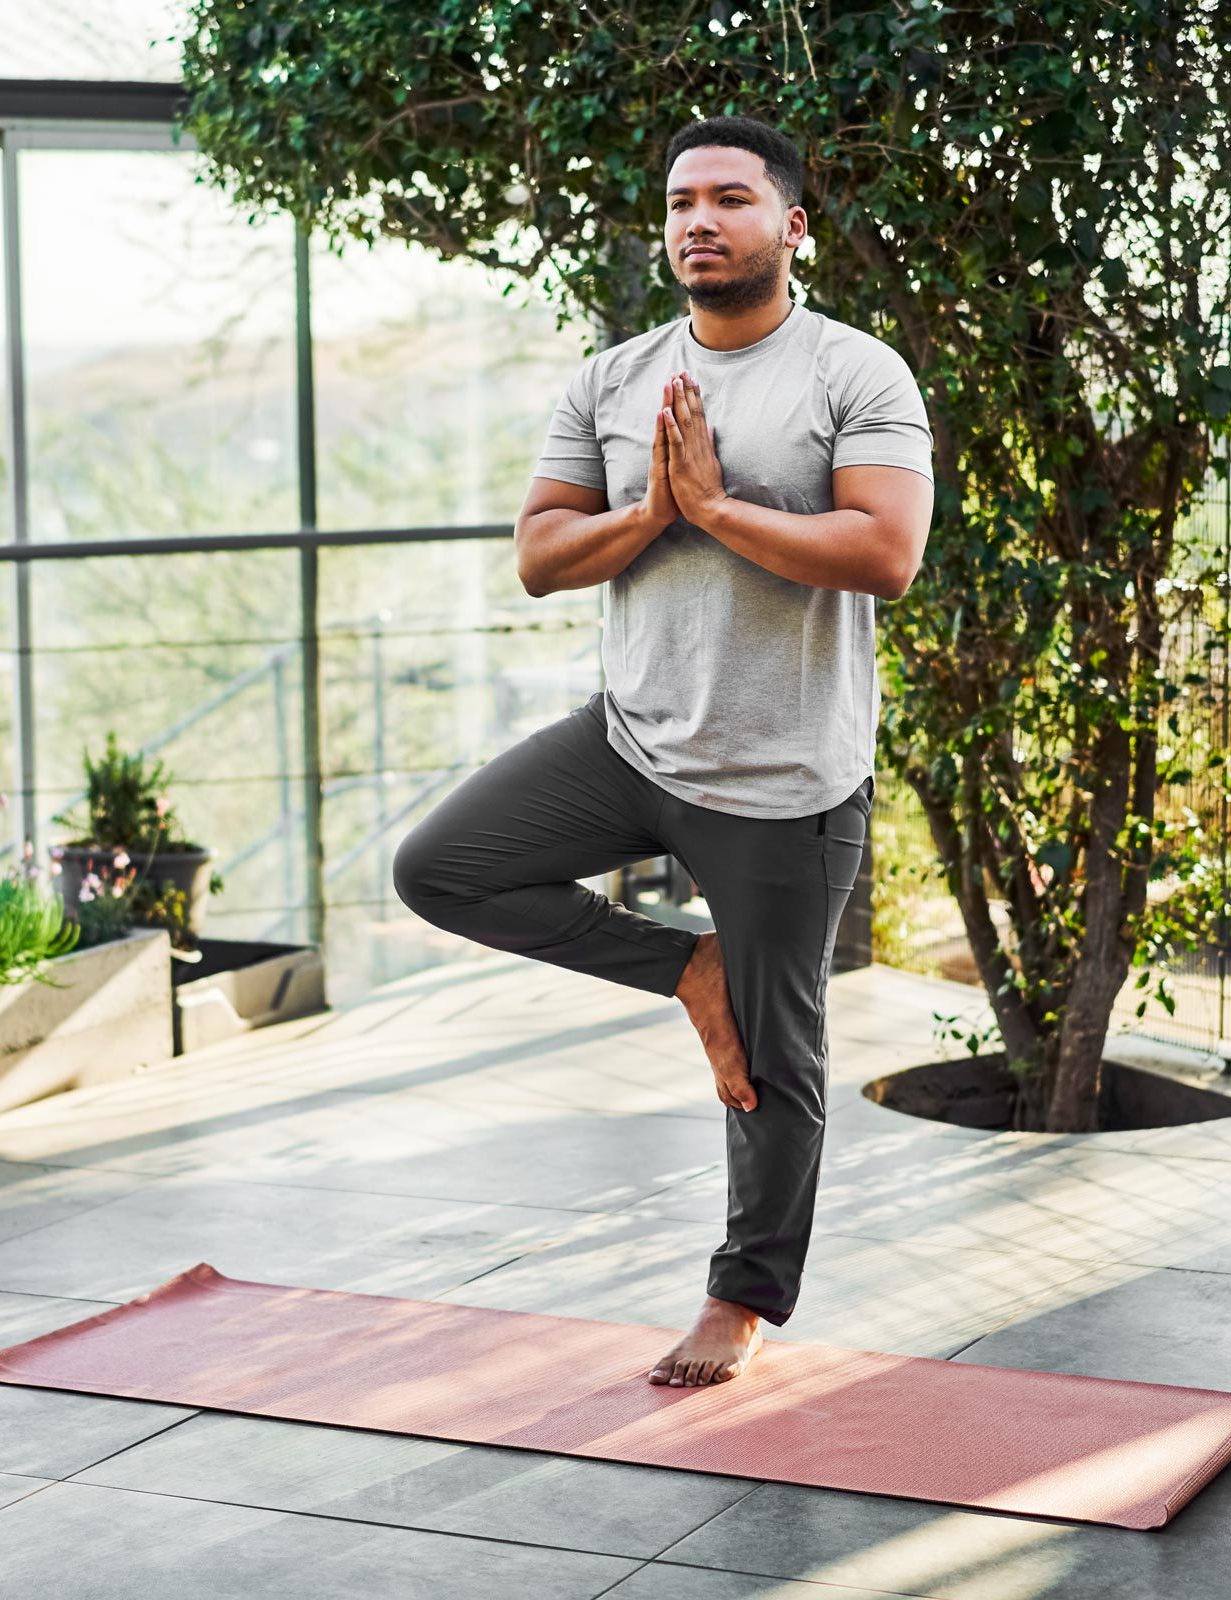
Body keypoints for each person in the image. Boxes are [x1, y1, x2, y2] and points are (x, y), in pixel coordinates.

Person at [391, 114, 935, 1389]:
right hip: (628, 740)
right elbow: (538, 556)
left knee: (779, 1058)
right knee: (441, 867)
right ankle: (687, 967)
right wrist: (648, 512)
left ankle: (739, 1303)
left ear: (790, 227)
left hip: (784, 778)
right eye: (683, 201)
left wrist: (717, 511)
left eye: (731, 199)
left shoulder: (857, 374)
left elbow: (886, 553)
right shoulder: (613, 377)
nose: (699, 219)